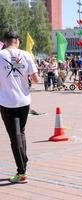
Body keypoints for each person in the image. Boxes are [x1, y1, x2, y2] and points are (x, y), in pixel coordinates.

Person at [0, 31, 40, 183]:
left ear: (5, 41)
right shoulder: (26, 55)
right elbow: (36, 80)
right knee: (20, 133)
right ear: (17, 40)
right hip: (24, 102)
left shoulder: (0, 55)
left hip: (7, 102)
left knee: (14, 137)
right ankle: (24, 162)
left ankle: (21, 171)